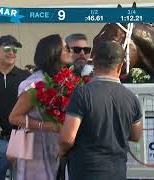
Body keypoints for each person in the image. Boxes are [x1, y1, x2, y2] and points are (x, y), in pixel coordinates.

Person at [59, 41, 143, 180]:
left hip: (85, 170)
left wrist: (61, 151)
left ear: (94, 63)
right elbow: (135, 135)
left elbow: (67, 139)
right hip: (117, 171)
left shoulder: (82, 93)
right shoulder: (131, 97)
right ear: (120, 66)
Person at [9, 34, 73, 180]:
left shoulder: (66, 79)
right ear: (53, 52)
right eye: (66, 48)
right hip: (35, 149)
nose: (70, 51)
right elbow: (14, 117)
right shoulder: (35, 84)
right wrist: (48, 126)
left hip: (60, 147)